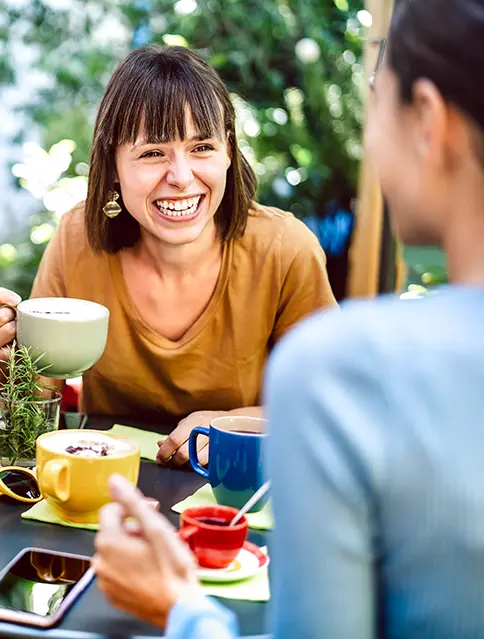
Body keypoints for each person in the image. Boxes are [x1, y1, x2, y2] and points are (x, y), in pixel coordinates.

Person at [92, 0, 484, 637]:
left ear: (429, 121)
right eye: (152, 152)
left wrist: (178, 609)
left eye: (376, 100)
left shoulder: (339, 366)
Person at [0, 45, 337, 466]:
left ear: (228, 151)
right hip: (102, 487)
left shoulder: (285, 250)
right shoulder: (78, 240)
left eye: (202, 148)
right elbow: (37, 407)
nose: (181, 178)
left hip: (233, 492)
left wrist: (228, 423)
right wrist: (12, 360)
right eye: (153, 153)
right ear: (112, 165)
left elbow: (327, 408)